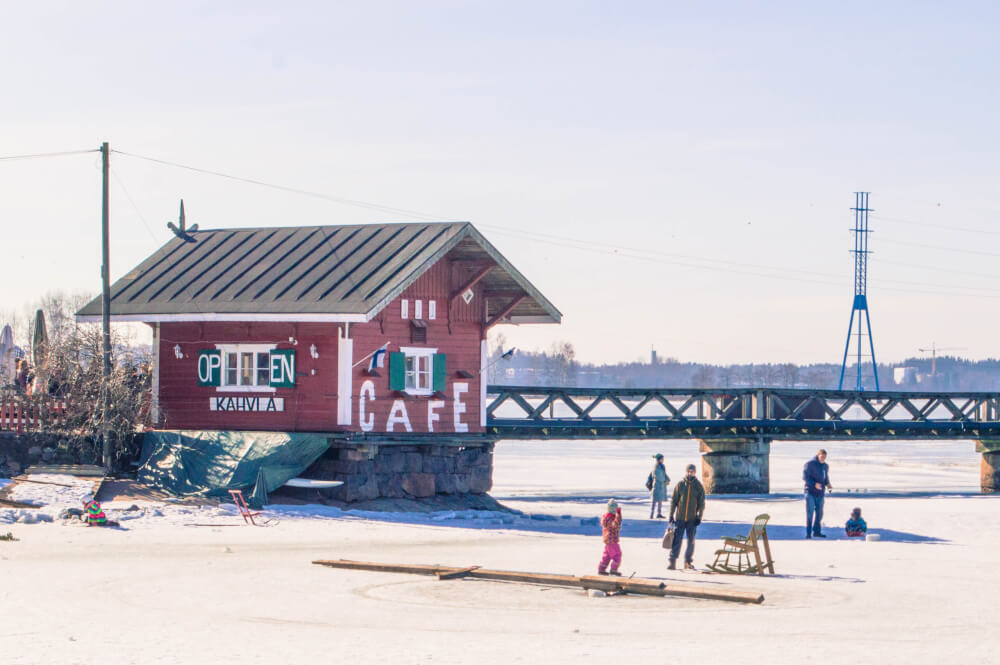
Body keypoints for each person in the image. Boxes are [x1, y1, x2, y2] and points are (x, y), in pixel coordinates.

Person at [668, 463, 705, 570]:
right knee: (677, 540)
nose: (690, 473)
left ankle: (688, 562)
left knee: (691, 541)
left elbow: (701, 503)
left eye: (692, 472)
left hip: (692, 519)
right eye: (688, 471)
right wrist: (671, 515)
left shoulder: (698, 486)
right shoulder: (680, 485)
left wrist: (699, 517)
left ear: (695, 472)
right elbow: (674, 501)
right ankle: (672, 561)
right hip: (680, 518)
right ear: (686, 472)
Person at [803, 448, 833, 538]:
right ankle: (808, 533)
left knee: (819, 513)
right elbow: (805, 477)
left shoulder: (825, 466)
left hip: (820, 493)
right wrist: (814, 484)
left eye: (824, 457)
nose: (823, 458)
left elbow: (825, 476)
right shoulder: (810, 464)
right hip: (810, 492)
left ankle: (817, 531)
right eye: (821, 456)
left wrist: (828, 484)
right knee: (810, 513)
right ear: (818, 455)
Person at [597, 498, 623, 576]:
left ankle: (601, 569)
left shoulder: (606, 517)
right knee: (617, 554)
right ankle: (613, 569)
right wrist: (619, 515)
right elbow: (615, 525)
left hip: (608, 540)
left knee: (607, 556)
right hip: (612, 540)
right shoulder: (610, 518)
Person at [648, 453, 670, 519]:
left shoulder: (662, 466)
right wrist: (664, 480)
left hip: (661, 486)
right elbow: (657, 476)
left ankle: (659, 513)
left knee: (660, 500)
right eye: (662, 459)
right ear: (659, 459)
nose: (663, 460)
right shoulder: (655, 467)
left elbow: (664, 474)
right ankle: (651, 514)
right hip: (657, 485)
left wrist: (668, 479)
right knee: (654, 500)